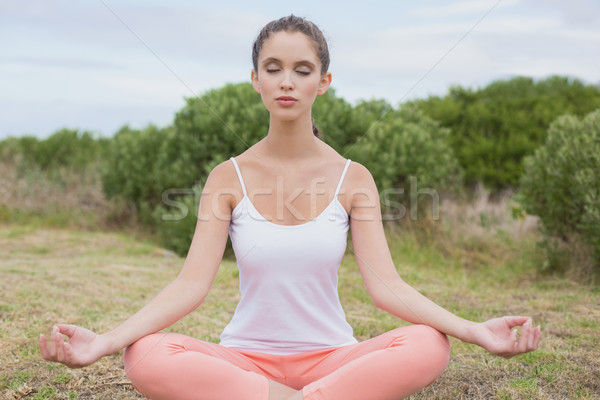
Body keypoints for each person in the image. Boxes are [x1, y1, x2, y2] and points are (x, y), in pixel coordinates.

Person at [39, 15, 541, 400]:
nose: (286, 81)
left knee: (428, 344)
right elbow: (190, 286)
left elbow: (387, 287)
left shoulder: (354, 178)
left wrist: (474, 331)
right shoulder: (227, 178)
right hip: (244, 363)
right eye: (273, 68)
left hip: (333, 360)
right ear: (254, 79)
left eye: (302, 70)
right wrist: (103, 341)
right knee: (145, 355)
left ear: (322, 82)